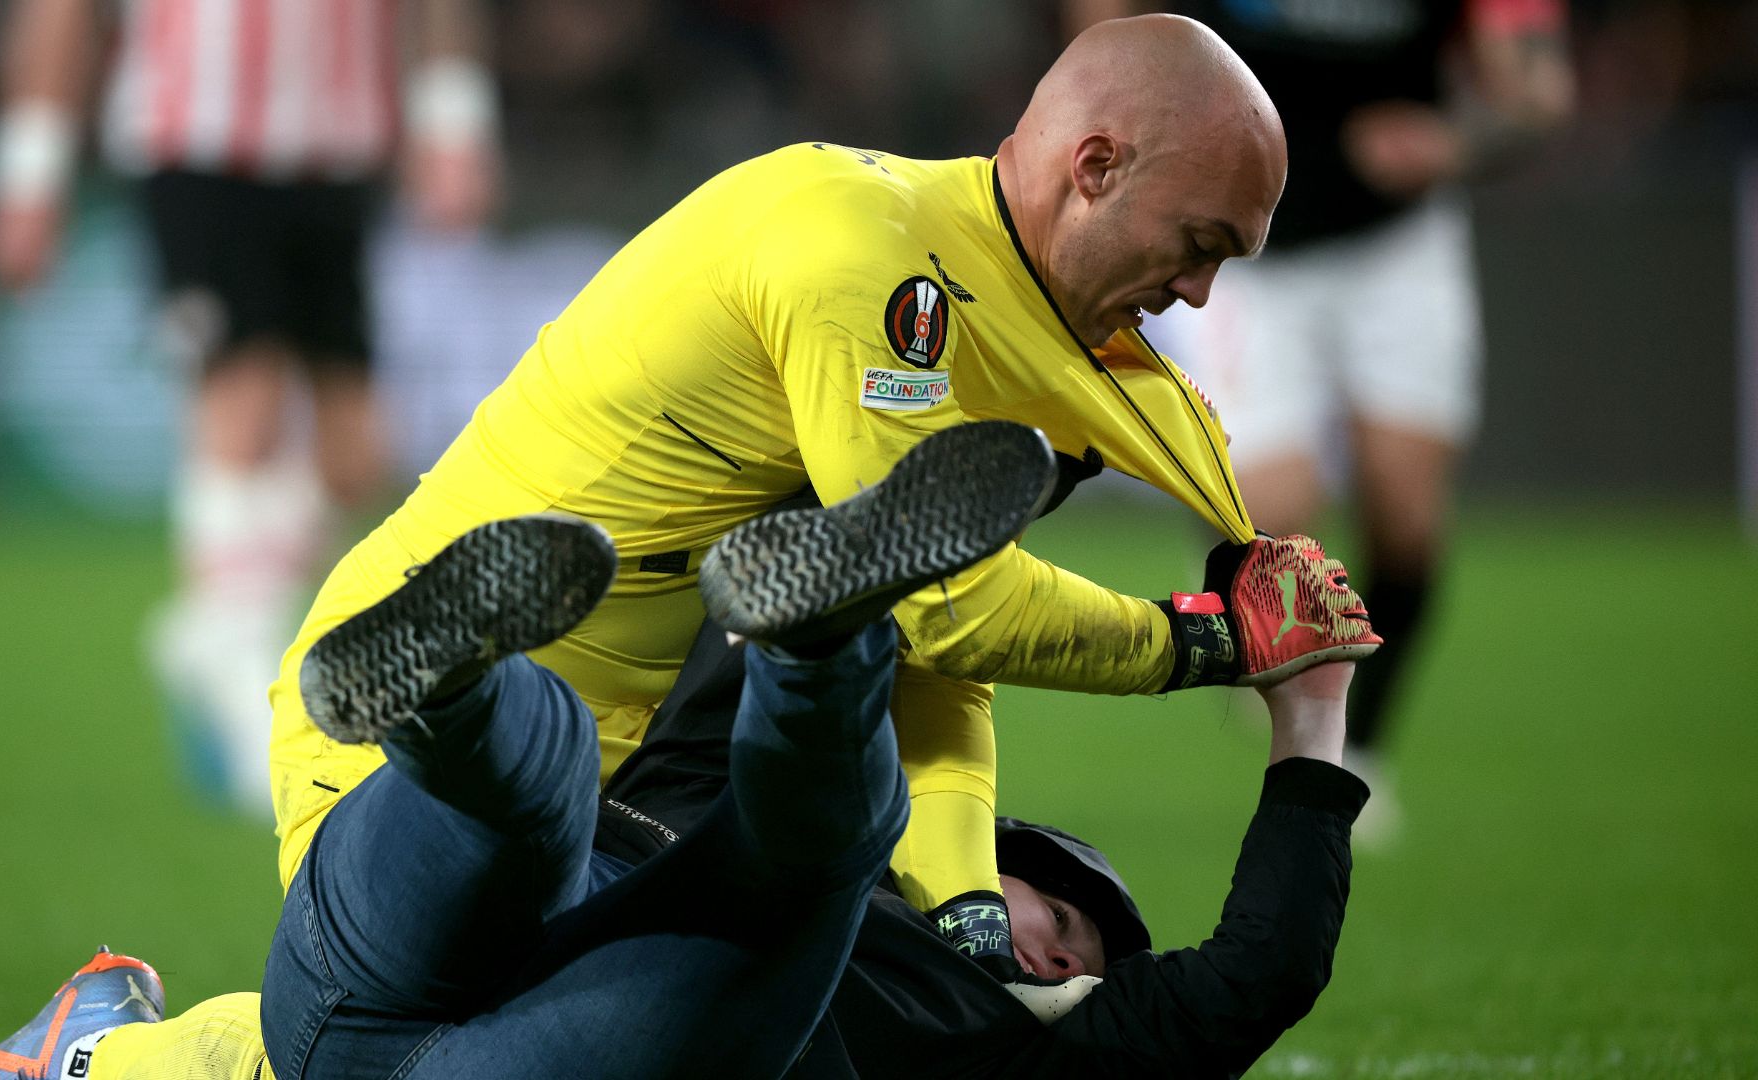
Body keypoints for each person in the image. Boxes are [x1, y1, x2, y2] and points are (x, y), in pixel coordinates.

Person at [263, 14, 1328, 977]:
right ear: (1094, 166)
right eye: (1199, 246)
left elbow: (911, 627)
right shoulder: (868, 257)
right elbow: (949, 609)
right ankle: (120, 1050)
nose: (1196, 293)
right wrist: (1204, 642)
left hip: (617, 783)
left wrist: (962, 900)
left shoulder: (978, 286)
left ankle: (119, 1043)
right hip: (411, 756)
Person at [0, 423, 1373, 1080]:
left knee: (795, 874)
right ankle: (447, 686)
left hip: (490, 1060)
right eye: (1066, 914)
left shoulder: (1002, 1057)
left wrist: (1312, 712)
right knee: (548, 791)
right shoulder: (877, 877)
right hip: (380, 962)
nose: (1069, 954)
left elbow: (1262, 974)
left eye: (1091, 961)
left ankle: (826, 636)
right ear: (983, 863)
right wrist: (1039, 449)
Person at [0, 0, 503, 815]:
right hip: (198, 149)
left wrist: (453, 124)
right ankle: (243, 673)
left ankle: (212, 626)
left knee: (356, 457)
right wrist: (27, 174)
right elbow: (63, 15)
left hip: (336, 154)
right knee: (243, 406)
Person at [1085, 0, 1574, 840]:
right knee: (1268, 517)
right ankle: (1277, 675)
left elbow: (1538, 86)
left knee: (1409, 521)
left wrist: (1454, 142)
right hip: (1247, 251)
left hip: (1398, 244)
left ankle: (1364, 750)